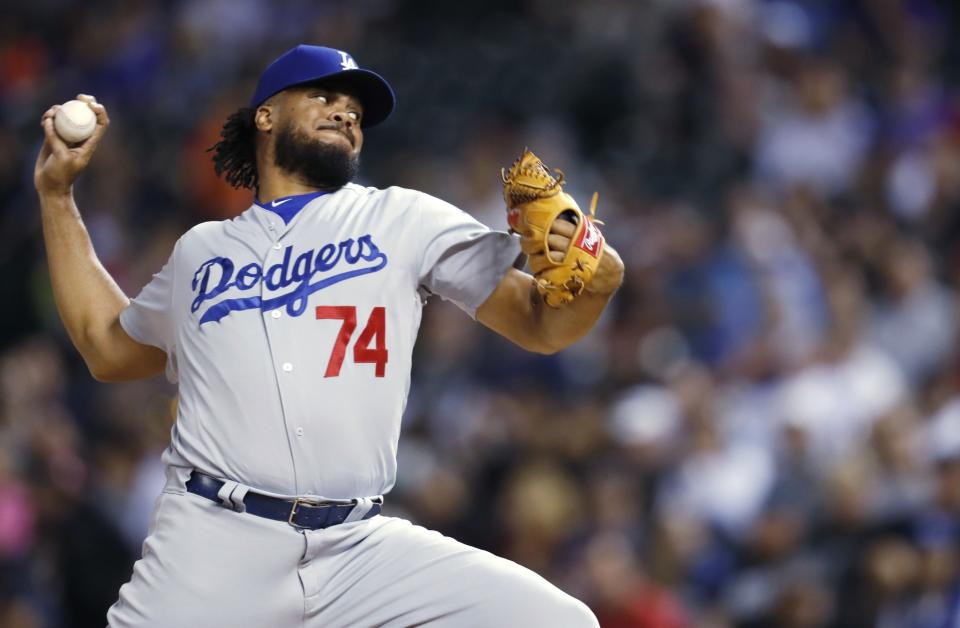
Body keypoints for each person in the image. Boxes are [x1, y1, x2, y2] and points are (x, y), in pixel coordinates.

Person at [34, 44, 623, 627]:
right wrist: (57, 196)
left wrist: (594, 287)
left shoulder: (403, 218)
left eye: (355, 111)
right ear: (266, 115)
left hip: (357, 550)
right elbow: (108, 348)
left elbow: (539, 325)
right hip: (214, 543)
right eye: (323, 95)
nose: (345, 112)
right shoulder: (201, 252)